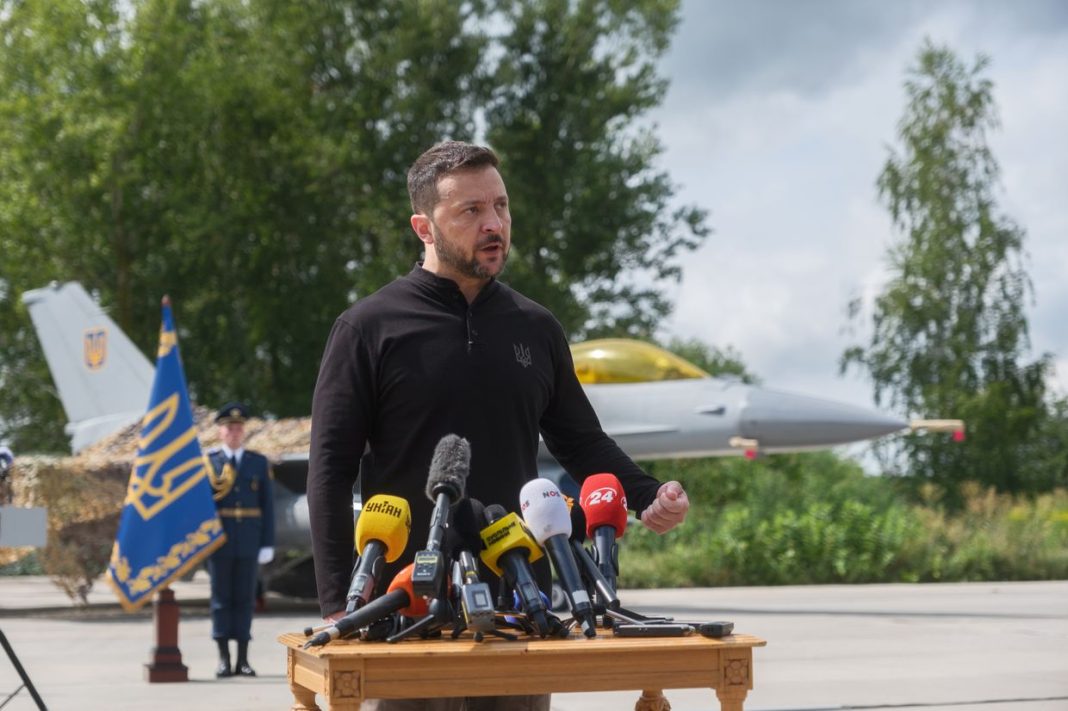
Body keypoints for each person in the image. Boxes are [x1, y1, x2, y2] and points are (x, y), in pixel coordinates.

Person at [307, 140, 690, 710]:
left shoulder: (535, 327)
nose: (494, 225)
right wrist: (341, 599)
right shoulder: (368, 328)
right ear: (423, 226)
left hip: (521, 598)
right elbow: (331, 468)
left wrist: (646, 494)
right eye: (471, 211)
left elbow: (580, 440)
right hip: (407, 603)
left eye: (501, 207)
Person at [204, 402, 275, 678]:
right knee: (221, 599)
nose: (234, 432)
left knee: (245, 598)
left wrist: (267, 542)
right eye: (228, 428)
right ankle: (223, 659)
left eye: (238, 428)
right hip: (219, 540)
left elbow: (267, 507)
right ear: (220, 431)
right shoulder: (210, 463)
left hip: (248, 540)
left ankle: (243, 660)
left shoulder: (257, 463)